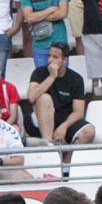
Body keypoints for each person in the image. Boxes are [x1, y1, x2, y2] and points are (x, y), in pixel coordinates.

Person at [27, 43, 95, 180]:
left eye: (55, 57)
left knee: (89, 131)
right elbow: (31, 97)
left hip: (64, 119)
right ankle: (50, 148)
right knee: (44, 98)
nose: (50, 60)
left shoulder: (75, 79)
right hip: (40, 118)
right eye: (49, 56)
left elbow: (78, 111)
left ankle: (66, 163)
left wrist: (64, 127)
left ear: (65, 60)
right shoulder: (40, 73)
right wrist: (51, 77)